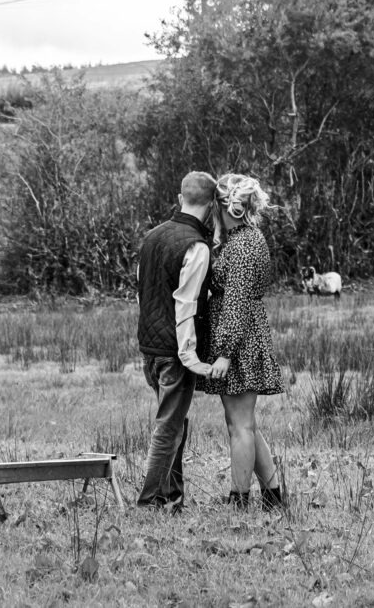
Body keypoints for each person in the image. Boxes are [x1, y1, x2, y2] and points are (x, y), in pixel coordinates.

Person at [199, 173, 285, 511]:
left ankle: (238, 501)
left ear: (228, 208)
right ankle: (273, 496)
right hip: (243, 337)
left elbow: (236, 301)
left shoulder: (243, 245)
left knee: (240, 425)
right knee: (243, 422)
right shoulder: (243, 239)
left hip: (239, 341)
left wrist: (224, 352)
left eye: (215, 207)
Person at [135, 171, 217, 512]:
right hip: (173, 351)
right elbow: (186, 303)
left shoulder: (151, 236)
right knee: (168, 428)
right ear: (212, 205)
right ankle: (150, 501)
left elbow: (142, 292)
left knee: (175, 423)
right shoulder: (196, 246)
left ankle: (173, 497)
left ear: (181, 198)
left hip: (149, 349)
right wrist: (189, 356)